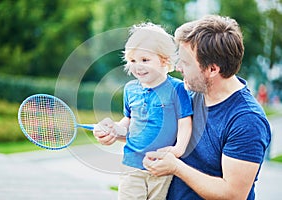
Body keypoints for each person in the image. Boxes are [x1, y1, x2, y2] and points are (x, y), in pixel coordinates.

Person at [142, 15, 271, 200]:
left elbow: (233, 195)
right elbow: (158, 133)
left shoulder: (247, 120)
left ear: (212, 69)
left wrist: (176, 168)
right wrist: (118, 132)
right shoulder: (189, 93)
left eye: (186, 62)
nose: (178, 67)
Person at [93, 22, 193, 199]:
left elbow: (185, 123)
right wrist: (115, 129)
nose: (138, 66)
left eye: (145, 60)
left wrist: (178, 149)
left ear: (164, 60)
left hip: (161, 165)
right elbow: (128, 121)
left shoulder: (177, 89)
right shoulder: (130, 89)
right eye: (133, 61)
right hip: (131, 164)